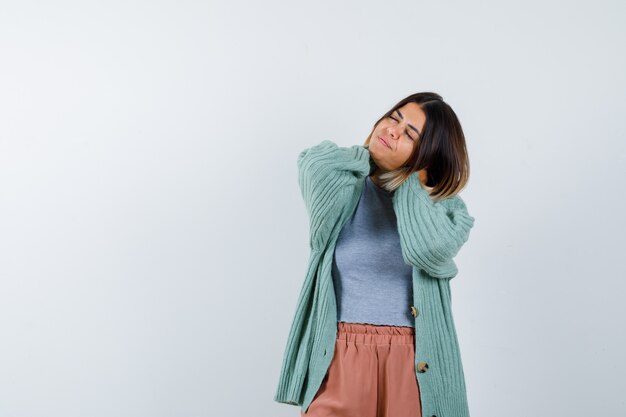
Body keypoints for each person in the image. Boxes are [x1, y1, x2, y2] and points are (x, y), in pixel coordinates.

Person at [274, 92, 476, 417]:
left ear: (429, 156)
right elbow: (312, 162)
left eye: (411, 134)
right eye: (394, 118)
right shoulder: (345, 189)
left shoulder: (446, 210)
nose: (393, 130)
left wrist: (411, 181)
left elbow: (426, 248)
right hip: (340, 352)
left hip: (413, 361)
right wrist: (367, 156)